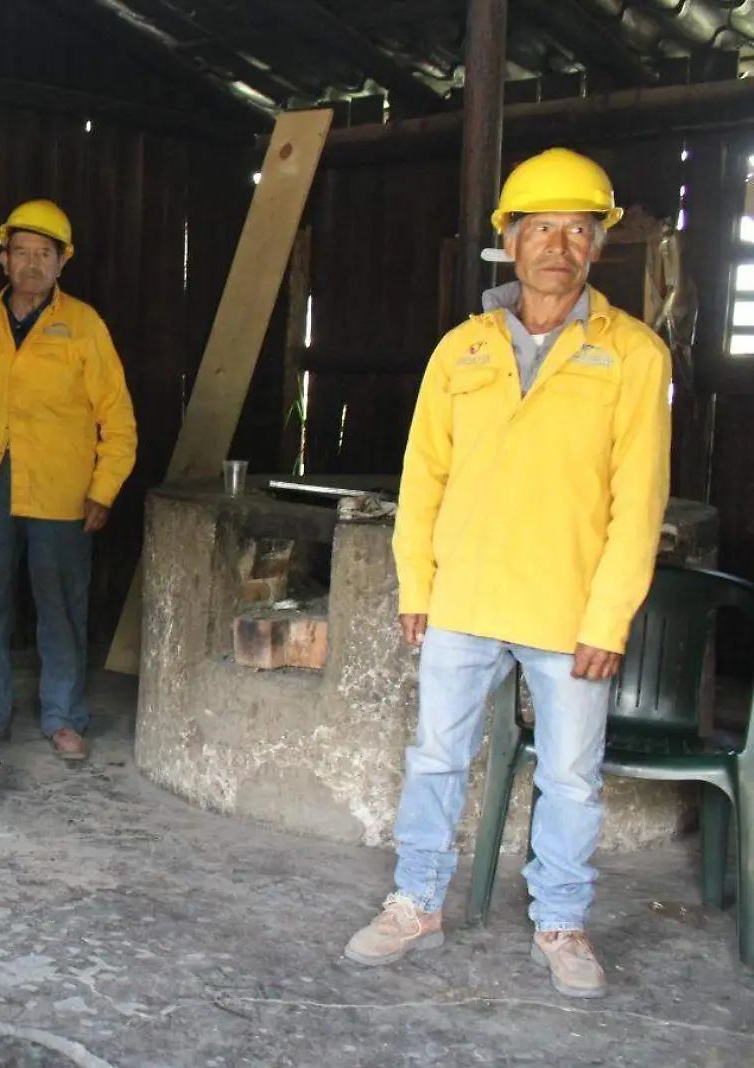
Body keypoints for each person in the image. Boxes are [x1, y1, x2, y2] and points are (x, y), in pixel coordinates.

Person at [344, 148, 672, 999]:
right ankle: (415, 902)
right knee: (435, 759)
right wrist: (417, 585)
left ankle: (560, 923)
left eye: (576, 229)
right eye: (539, 228)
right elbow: (423, 478)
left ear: (598, 246)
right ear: (509, 241)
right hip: (463, 598)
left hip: (569, 610)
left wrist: (609, 619)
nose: (557, 245)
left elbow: (639, 502)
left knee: (570, 775)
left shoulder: (633, 354)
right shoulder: (462, 349)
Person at [0, 200, 137, 762]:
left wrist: (103, 489)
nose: (30, 264)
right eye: (20, 252)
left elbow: (117, 417)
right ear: (4, 258)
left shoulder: (83, 325)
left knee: (60, 606)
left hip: (61, 490)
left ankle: (64, 717)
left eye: (42, 254)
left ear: (61, 262)